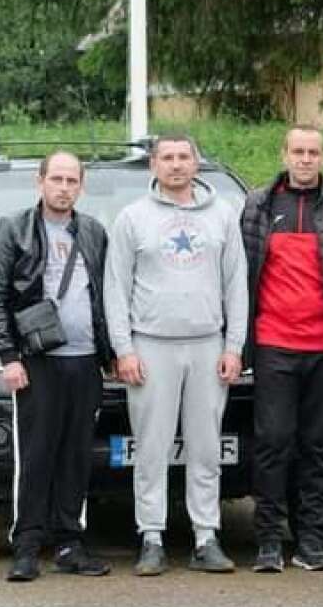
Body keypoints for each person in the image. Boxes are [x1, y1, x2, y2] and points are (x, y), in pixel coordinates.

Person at [104, 134, 249, 576]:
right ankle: (151, 536)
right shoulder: (132, 218)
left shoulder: (223, 216)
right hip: (151, 345)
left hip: (207, 344)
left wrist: (234, 346)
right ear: (154, 165)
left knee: (206, 447)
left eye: (184, 157)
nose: (176, 165)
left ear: (196, 163)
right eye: (167, 157)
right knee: (151, 447)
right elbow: (115, 288)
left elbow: (236, 284)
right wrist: (124, 349)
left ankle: (206, 536)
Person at [242, 125, 323, 573]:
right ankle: (267, 540)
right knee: (273, 443)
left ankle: (311, 540)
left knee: (318, 446)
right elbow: (241, 276)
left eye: (313, 152)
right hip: (273, 344)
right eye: (297, 151)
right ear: (284, 154)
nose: (304, 159)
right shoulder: (259, 205)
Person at [0, 151, 114, 582]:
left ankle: (69, 543)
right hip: (37, 361)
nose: (63, 188)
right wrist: (9, 356)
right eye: (56, 179)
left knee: (76, 457)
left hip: (85, 360)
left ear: (82, 186)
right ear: (39, 182)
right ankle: (26, 546)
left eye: (71, 180)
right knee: (36, 456)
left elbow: (105, 294)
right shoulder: (13, 229)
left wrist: (111, 353)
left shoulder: (93, 232)